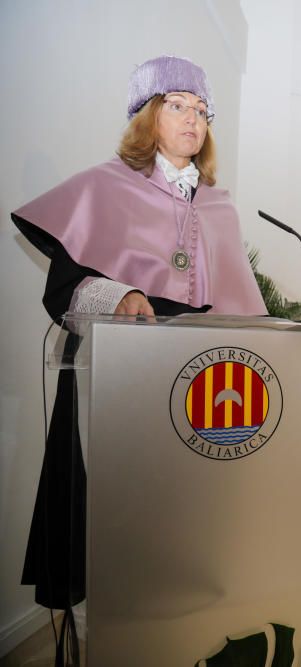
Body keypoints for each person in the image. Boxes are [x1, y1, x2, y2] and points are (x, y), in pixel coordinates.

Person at [10, 55, 267, 651]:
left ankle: (192, 638)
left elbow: (237, 306)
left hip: (201, 386)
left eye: (202, 110)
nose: (194, 119)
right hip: (118, 381)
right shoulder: (104, 186)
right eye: (178, 105)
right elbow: (62, 293)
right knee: (123, 539)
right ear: (147, 116)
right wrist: (121, 292)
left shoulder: (218, 205)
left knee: (189, 540)